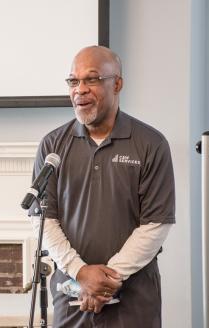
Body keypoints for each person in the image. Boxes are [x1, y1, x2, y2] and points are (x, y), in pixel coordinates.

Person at [28, 46, 175, 327]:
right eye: (73, 81)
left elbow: (156, 224)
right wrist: (80, 272)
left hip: (133, 301)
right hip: (71, 296)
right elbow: (43, 220)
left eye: (91, 79)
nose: (79, 90)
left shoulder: (150, 144)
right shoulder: (52, 146)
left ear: (117, 84)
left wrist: (104, 282)